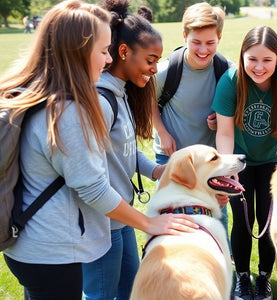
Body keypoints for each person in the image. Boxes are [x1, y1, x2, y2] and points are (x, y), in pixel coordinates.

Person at [0, 1, 197, 299]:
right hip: (52, 251)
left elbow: (116, 155)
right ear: (78, 51)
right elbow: (91, 187)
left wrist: (157, 171)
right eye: (103, 51)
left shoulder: (50, 96)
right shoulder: (68, 112)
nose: (107, 60)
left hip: (36, 248)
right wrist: (149, 222)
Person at [212, 25, 277, 300]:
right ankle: (242, 276)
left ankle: (265, 275)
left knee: (268, 219)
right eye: (252, 59)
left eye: (267, 60)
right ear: (242, 57)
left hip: (271, 161)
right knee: (243, 221)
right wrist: (228, 170)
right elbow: (225, 131)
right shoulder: (231, 81)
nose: (259, 67)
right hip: (239, 158)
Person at [81, 1, 164, 299]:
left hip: (122, 219)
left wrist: (157, 170)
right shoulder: (102, 101)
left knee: (131, 290)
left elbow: (123, 151)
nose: (155, 70)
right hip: (102, 223)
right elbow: (86, 176)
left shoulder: (121, 93)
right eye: (150, 60)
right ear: (124, 52)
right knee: (100, 294)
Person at [151, 1, 232, 248]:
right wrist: (162, 132)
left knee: (217, 219)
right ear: (184, 36)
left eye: (210, 43)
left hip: (209, 162)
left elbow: (233, 112)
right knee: (172, 219)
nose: (203, 49)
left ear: (219, 38)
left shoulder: (226, 70)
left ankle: (222, 269)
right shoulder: (166, 71)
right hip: (172, 157)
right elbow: (147, 103)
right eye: (196, 42)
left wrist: (221, 118)